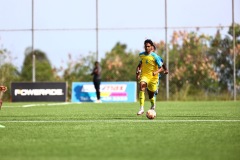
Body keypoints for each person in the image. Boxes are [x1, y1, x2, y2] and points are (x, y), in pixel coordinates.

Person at [136, 39, 165, 115]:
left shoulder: (155, 56)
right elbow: (140, 64)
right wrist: (138, 73)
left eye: (148, 46)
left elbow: (162, 68)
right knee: (142, 86)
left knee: (151, 94)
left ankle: (153, 104)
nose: (147, 48)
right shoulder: (141, 55)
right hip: (145, 76)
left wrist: (156, 72)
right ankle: (141, 108)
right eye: (145, 46)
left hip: (153, 78)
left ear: (152, 47)